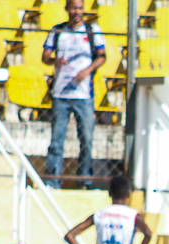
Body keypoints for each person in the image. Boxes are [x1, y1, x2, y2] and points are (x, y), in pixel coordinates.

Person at [42, 0, 105, 189]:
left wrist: (87, 70)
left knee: (86, 138)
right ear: (67, 9)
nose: (77, 11)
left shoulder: (92, 30)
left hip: (84, 95)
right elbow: (45, 56)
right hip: (60, 93)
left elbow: (102, 56)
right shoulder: (58, 30)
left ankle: (84, 180)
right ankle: (52, 181)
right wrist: (54, 60)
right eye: (73, 8)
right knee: (56, 139)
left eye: (80, 8)